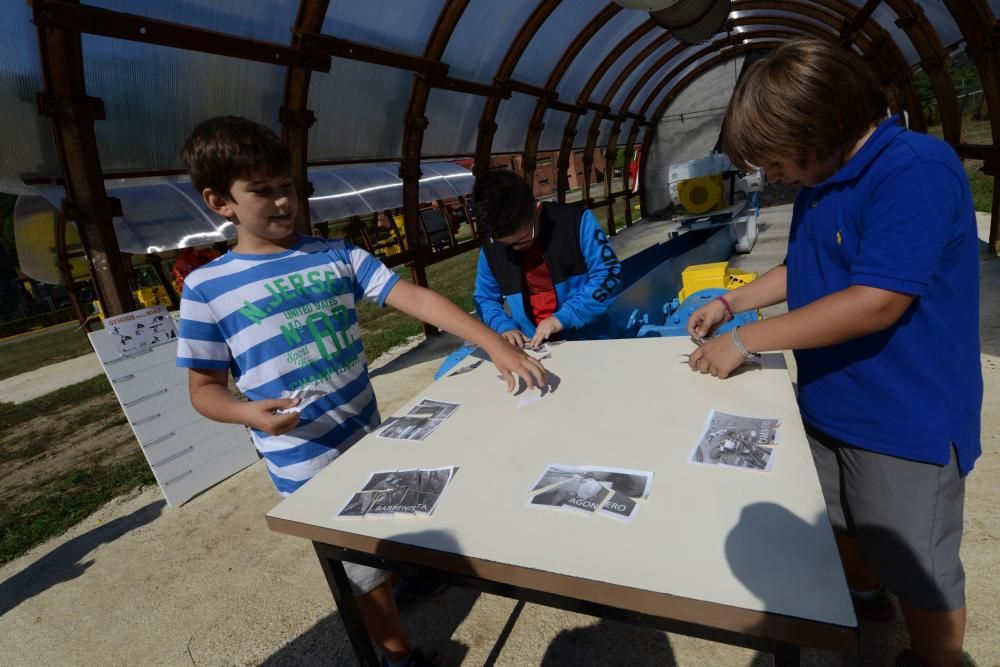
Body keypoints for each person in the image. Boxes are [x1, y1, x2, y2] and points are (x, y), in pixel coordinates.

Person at [175, 116, 546, 667]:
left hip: (366, 430)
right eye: (261, 191)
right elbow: (203, 390)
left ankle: (402, 586)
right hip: (302, 454)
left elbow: (417, 300)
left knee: (391, 524)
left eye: (286, 187)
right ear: (219, 201)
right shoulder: (207, 289)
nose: (281, 203)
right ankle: (400, 658)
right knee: (362, 569)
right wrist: (245, 413)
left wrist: (493, 343)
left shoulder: (336, 255)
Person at [686, 39, 981, 667]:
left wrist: (744, 341)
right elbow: (808, 265)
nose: (774, 177)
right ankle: (865, 598)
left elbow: (877, 300)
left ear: (822, 126)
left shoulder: (914, 169)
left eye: (778, 162)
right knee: (842, 520)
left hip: (904, 418)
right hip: (829, 400)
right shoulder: (822, 179)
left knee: (917, 561)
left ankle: (936, 658)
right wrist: (733, 303)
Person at [471, 170, 622, 347]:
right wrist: (503, 326)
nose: (517, 248)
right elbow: (485, 298)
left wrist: (562, 318)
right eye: (507, 244)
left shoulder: (576, 221)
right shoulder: (491, 248)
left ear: (537, 209)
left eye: (524, 238)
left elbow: (609, 275)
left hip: (590, 338)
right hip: (534, 345)